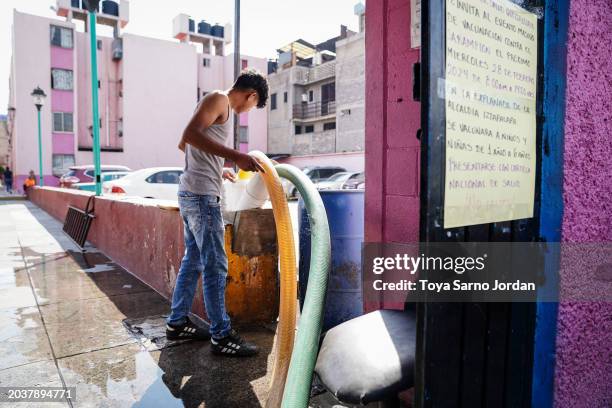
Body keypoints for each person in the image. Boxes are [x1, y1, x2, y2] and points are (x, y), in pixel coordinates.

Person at [166, 69, 268, 357]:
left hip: (194, 191)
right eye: (252, 105)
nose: (247, 110)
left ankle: (177, 322)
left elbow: (185, 145)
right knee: (216, 266)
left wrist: (216, 166)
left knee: (194, 260)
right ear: (252, 95)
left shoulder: (216, 103)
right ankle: (222, 335)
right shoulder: (219, 100)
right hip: (201, 197)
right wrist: (236, 157)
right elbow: (189, 135)